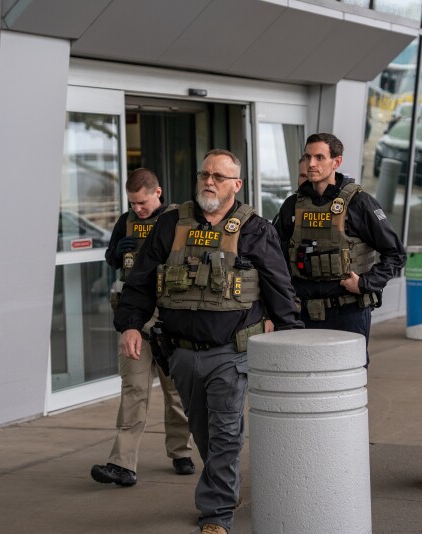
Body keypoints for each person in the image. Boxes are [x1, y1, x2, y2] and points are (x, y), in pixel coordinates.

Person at [114, 149, 302, 534]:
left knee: (226, 431)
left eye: (218, 176)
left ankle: (215, 513)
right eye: (204, 174)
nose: (208, 182)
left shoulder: (255, 229)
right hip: (180, 354)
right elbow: (141, 281)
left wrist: (288, 340)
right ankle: (224, 485)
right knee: (203, 432)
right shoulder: (170, 225)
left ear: (237, 184)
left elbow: (281, 291)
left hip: (232, 354)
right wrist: (131, 325)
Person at [90, 168, 194, 487]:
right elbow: (111, 258)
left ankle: (180, 451)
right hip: (134, 316)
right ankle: (123, 464)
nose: (138, 209)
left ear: (157, 192)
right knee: (133, 388)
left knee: (173, 389)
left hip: (167, 316)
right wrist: (118, 250)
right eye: (132, 203)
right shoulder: (126, 220)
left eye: (142, 202)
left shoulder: (178, 220)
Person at [274, 133, 405, 365]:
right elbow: (274, 259)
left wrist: (365, 283)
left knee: (347, 381)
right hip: (301, 314)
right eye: (307, 156)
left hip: (348, 313)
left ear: (336, 162)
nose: (311, 163)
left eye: (319, 157)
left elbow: (395, 254)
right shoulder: (292, 205)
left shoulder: (360, 203)